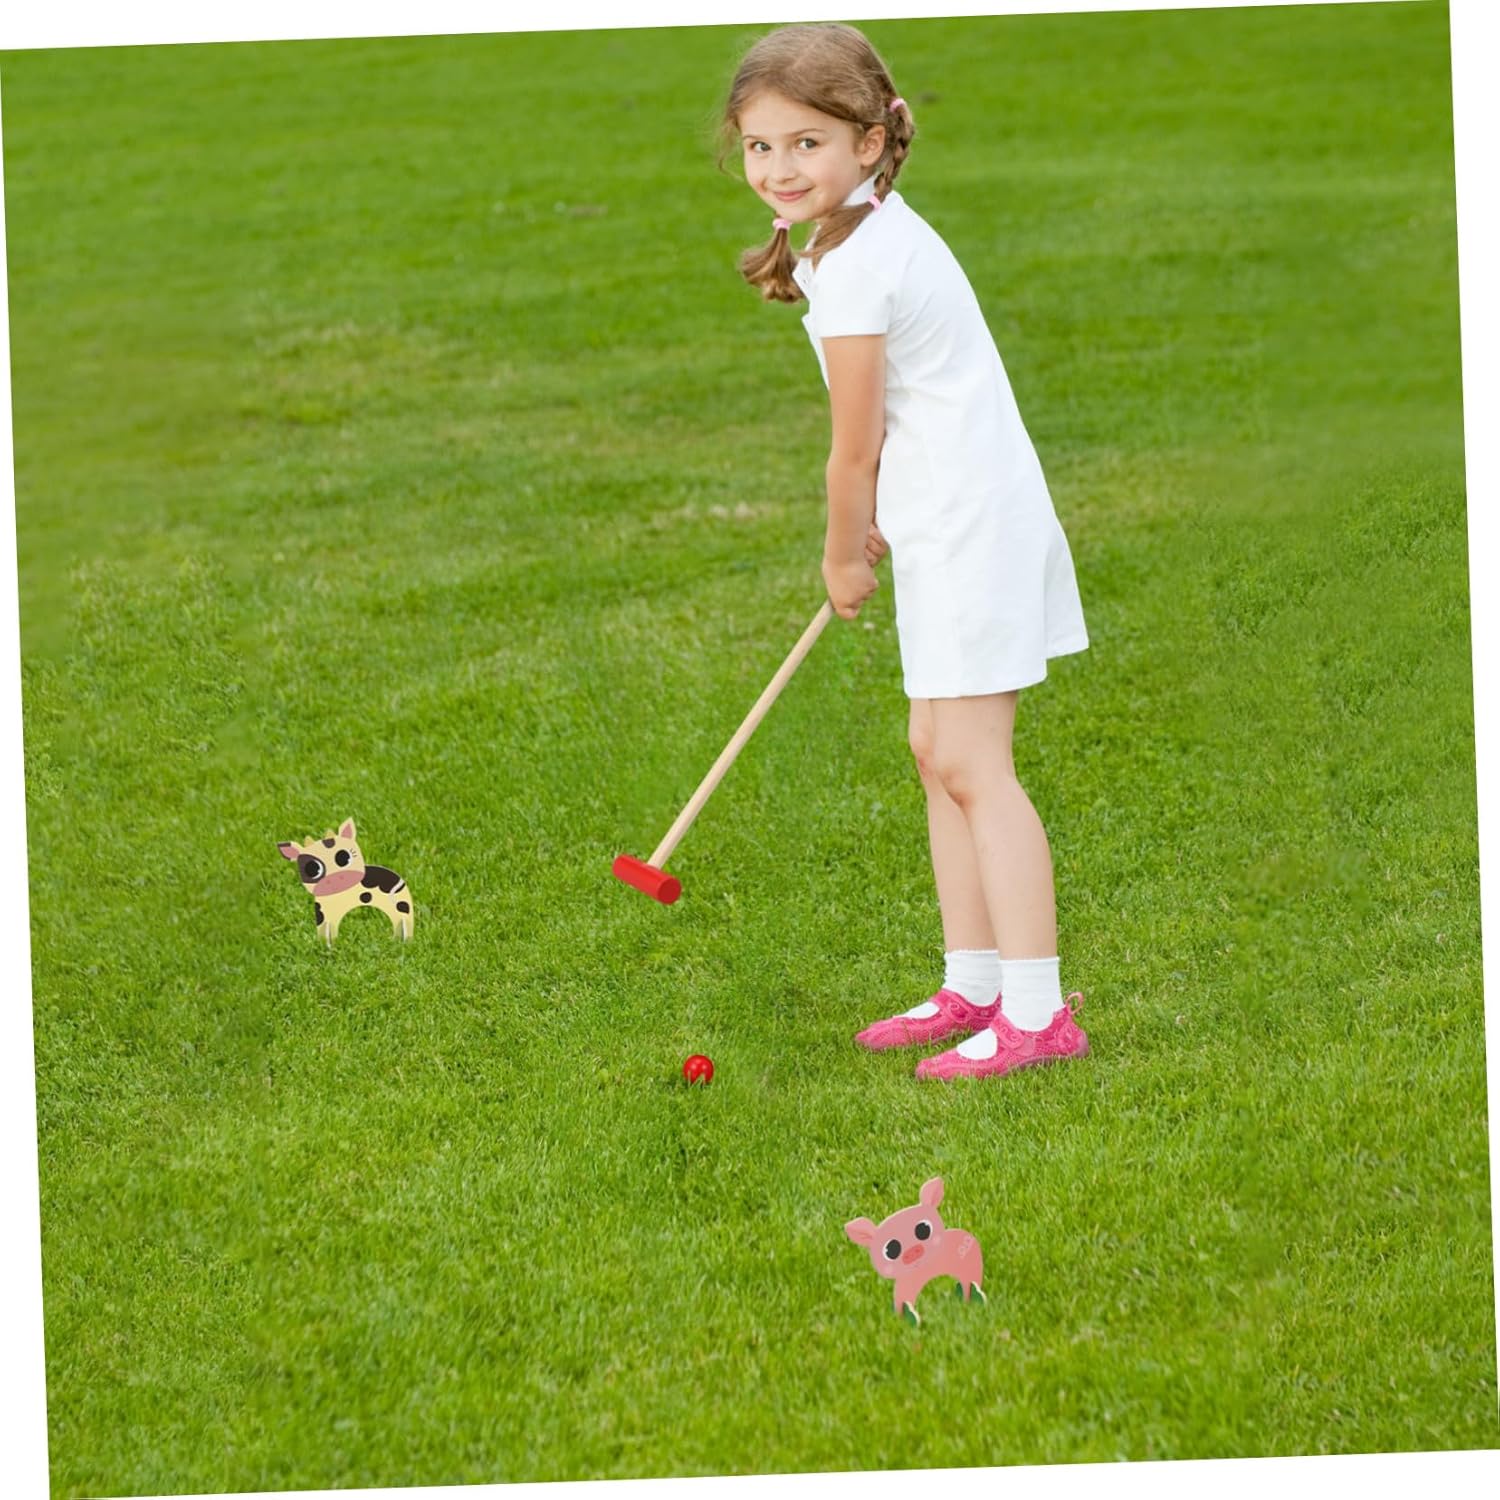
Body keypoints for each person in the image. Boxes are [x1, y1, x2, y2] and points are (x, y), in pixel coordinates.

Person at [720, 22, 1091, 1080]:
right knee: (936, 752)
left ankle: (1037, 1013)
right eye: (760, 146)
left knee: (974, 763)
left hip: (972, 526)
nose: (780, 168)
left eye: (807, 143)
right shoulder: (858, 236)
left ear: (871, 143)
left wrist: (843, 553)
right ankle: (973, 981)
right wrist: (891, 506)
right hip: (948, 513)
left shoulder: (859, 266)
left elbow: (851, 449)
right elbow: (907, 415)